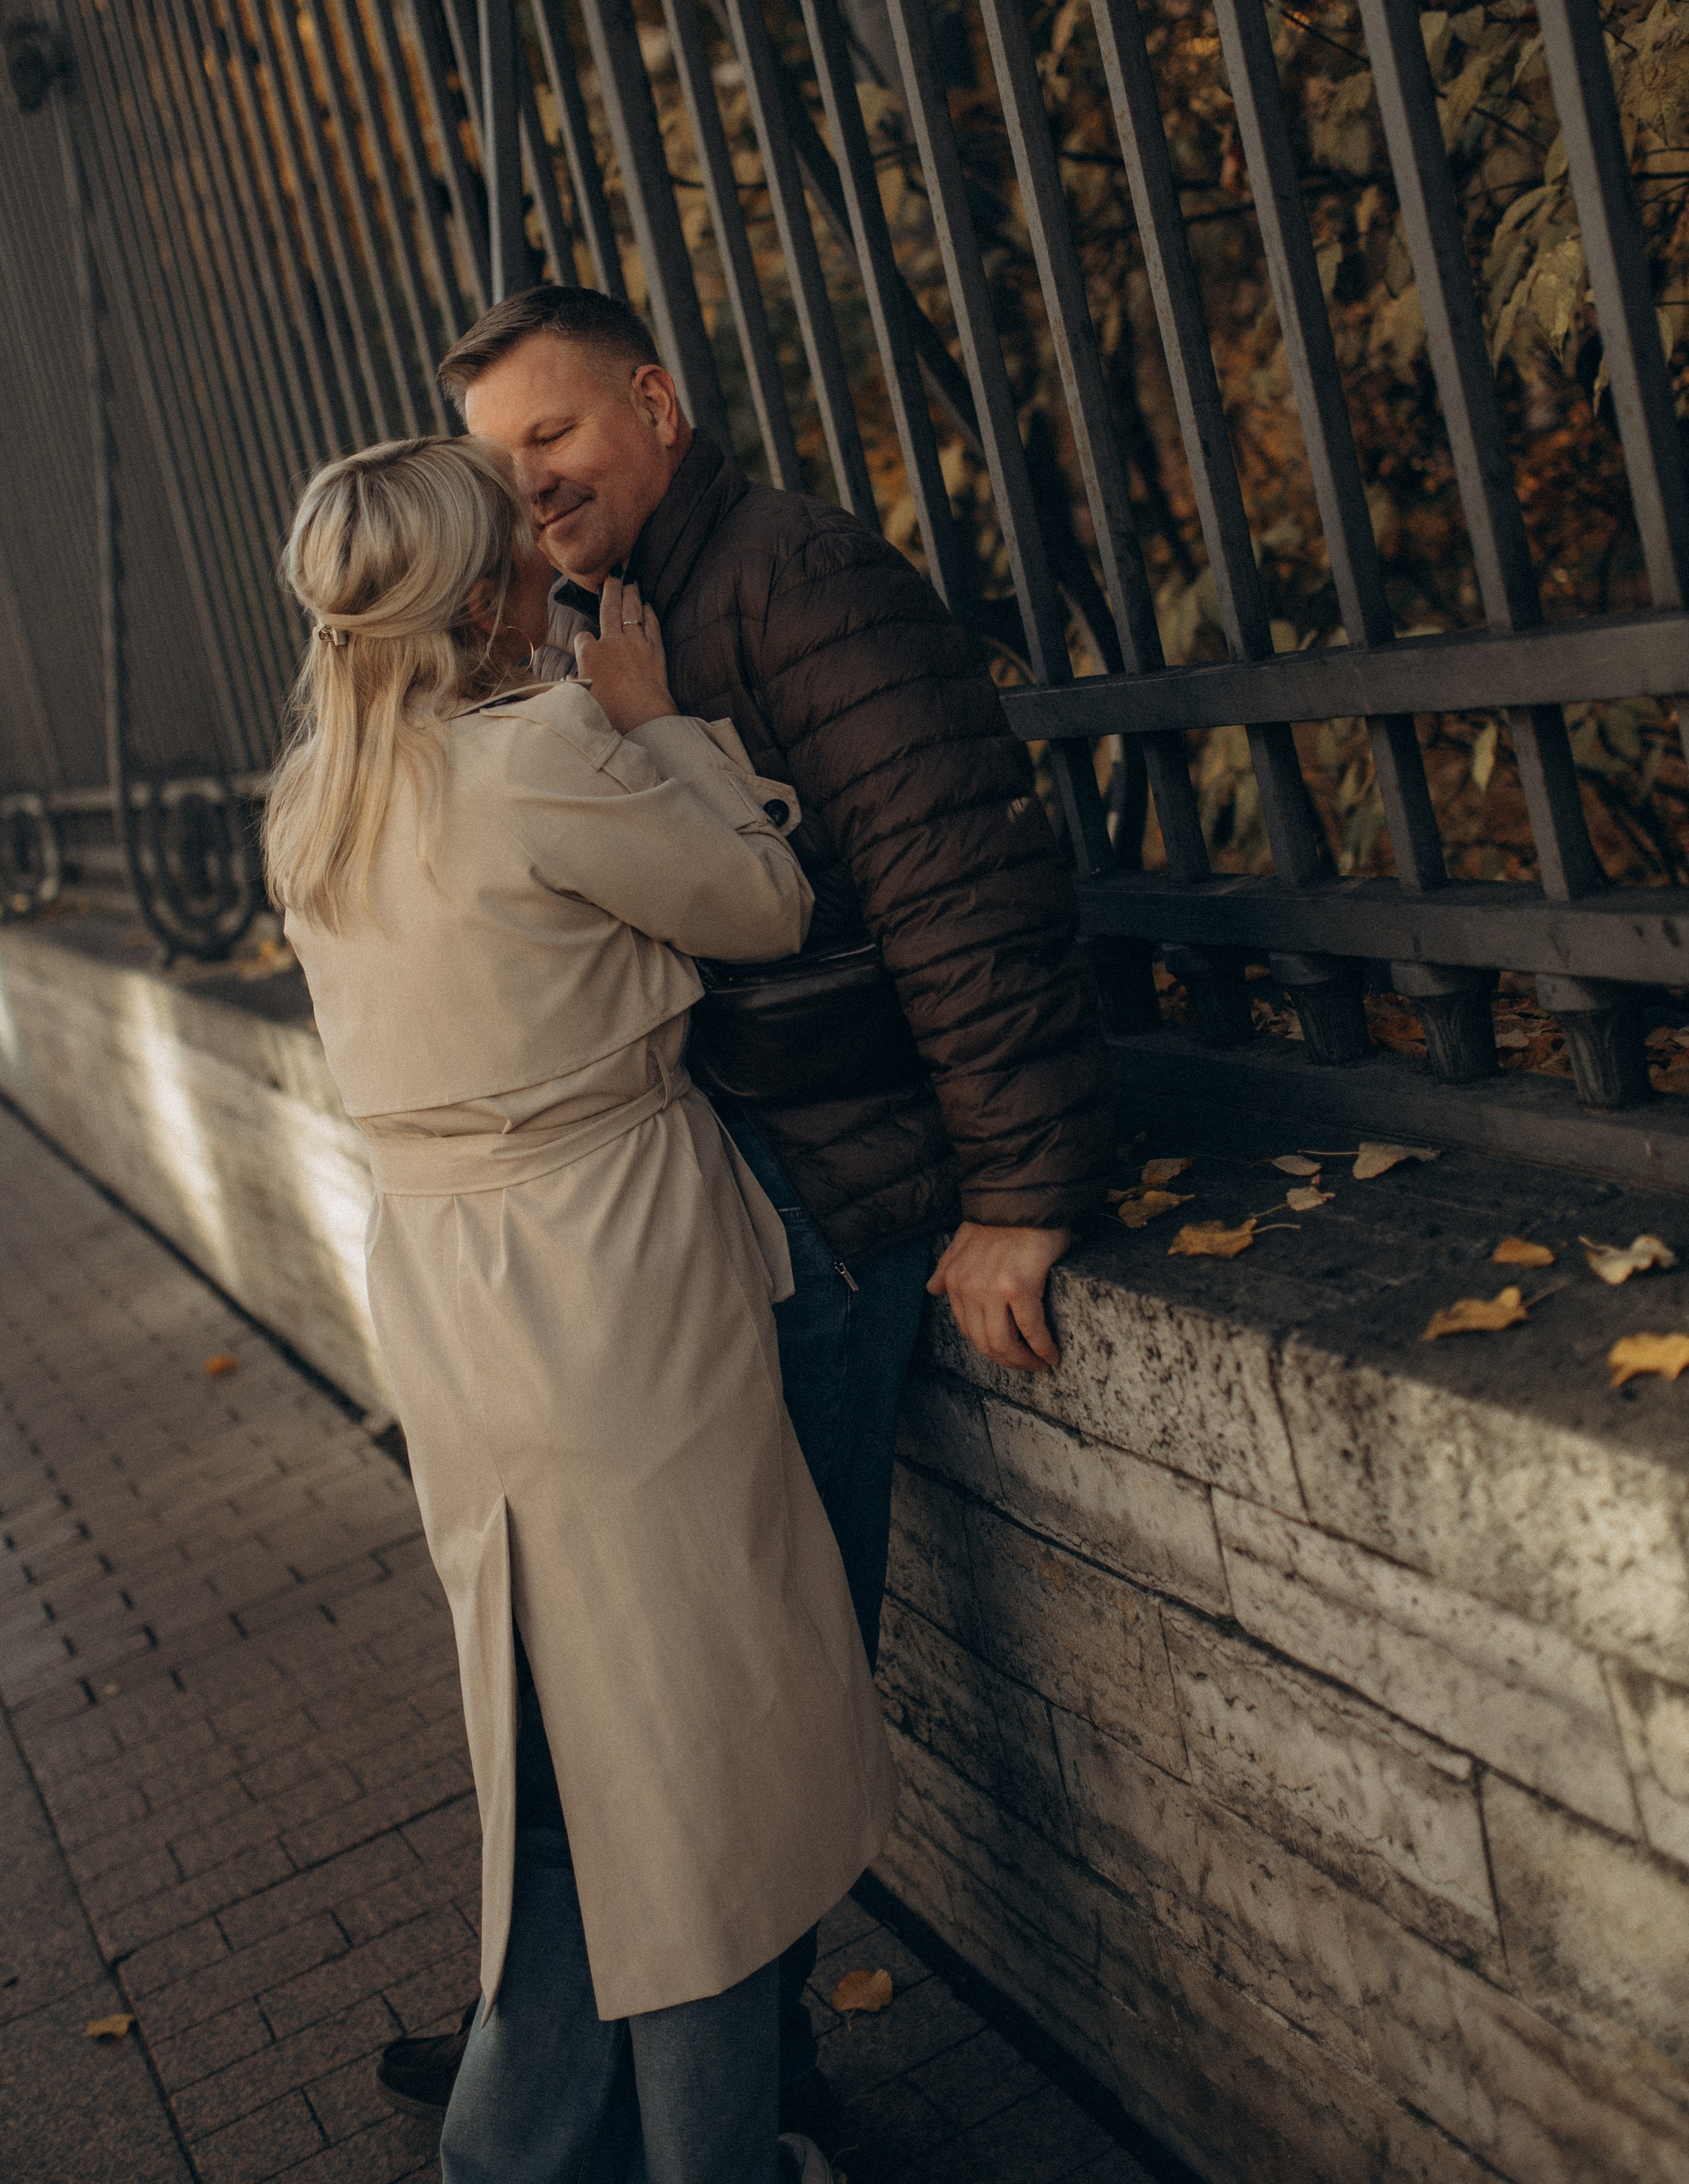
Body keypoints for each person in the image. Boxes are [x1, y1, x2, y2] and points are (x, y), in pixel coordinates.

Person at [371, 282, 1113, 2136]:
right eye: (497, 461)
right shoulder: (585, 625)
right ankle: (591, 2056)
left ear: (654, 404)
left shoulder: (791, 580)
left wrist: (1016, 1191)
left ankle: (686, 2075)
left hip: (841, 1194)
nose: (527, 486)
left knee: (723, 1702)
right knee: (666, 1698)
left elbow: (954, 879)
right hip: (709, 1193)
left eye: (552, 438)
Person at [269, 435, 893, 2184]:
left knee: (551, 1765)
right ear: (485, 597)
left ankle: (512, 2149)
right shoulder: (540, 756)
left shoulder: (315, 805)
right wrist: (655, 722)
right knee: (691, 1770)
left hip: (455, 1315)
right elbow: (763, 904)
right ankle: (720, 2162)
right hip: (610, 1284)